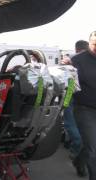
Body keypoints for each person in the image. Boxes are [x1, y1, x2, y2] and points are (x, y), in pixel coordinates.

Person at [72, 31, 96, 179]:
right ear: (89, 44)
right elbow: (69, 84)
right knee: (93, 149)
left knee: (90, 147)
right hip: (84, 109)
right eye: (94, 44)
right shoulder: (77, 60)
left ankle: (79, 161)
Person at [61, 40, 88, 163]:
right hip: (77, 97)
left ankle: (75, 148)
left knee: (71, 123)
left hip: (72, 95)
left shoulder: (72, 58)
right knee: (74, 124)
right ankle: (75, 149)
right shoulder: (73, 59)